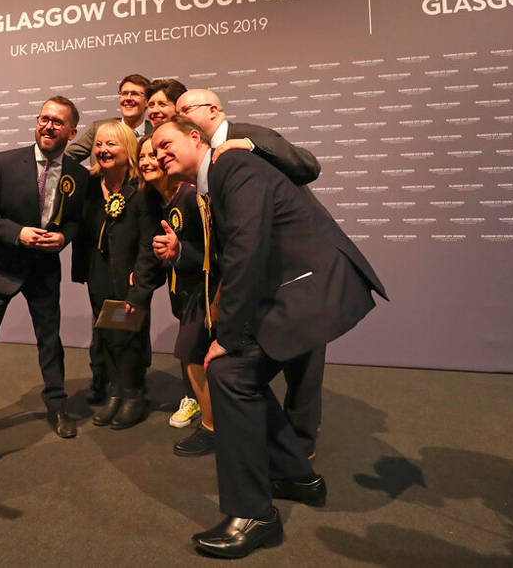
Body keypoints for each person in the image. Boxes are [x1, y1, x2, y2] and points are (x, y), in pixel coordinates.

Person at [152, 116, 386, 559]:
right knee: (237, 376)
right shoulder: (216, 179)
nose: (159, 153)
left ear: (195, 137)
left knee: (229, 370)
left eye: (166, 142)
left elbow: (246, 248)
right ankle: (296, 476)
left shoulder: (231, 166)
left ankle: (254, 513)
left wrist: (230, 336)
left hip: (312, 287)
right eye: (154, 151)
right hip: (300, 287)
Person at [177, 88, 324, 458]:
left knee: (304, 364)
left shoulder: (250, 135)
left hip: (298, 267)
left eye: (184, 110)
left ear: (212, 111)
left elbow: (309, 166)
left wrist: (253, 148)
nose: (176, 118)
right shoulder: (200, 166)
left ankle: (302, 450)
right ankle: (275, 446)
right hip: (257, 269)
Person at [0, 97, 88, 452]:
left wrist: (64, 236)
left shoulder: (79, 174)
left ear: (71, 132)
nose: (48, 126)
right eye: (44, 118)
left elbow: (74, 220)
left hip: (42, 271)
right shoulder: (5, 162)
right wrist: (17, 232)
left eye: (58, 122)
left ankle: (57, 407)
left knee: (50, 343)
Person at [71, 121, 159, 429]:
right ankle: (114, 393)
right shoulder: (90, 188)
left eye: (111, 145)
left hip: (131, 277)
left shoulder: (142, 190)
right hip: (98, 274)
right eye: (98, 145)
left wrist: (141, 282)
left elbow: (149, 244)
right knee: (107, 333)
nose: (103, 150)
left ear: (128, 150)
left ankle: (132, 396)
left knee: (129, 337)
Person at [136, 134, 215, 455]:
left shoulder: (188, 196)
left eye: (154, 154)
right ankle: (205, 412)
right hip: (184, 290)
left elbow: (214, 249)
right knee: (190, 354)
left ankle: (213, 429)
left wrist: (180, 250)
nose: (147, 161)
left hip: (204, 292)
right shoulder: (166, 201)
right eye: (141, 156)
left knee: (192, 353)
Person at [64, 74, 153, 163]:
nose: (128, 98)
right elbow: (68, 156)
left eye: (135, 94)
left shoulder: (155, 132)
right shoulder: (99, 128)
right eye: (124, 93)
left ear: (147, 101)